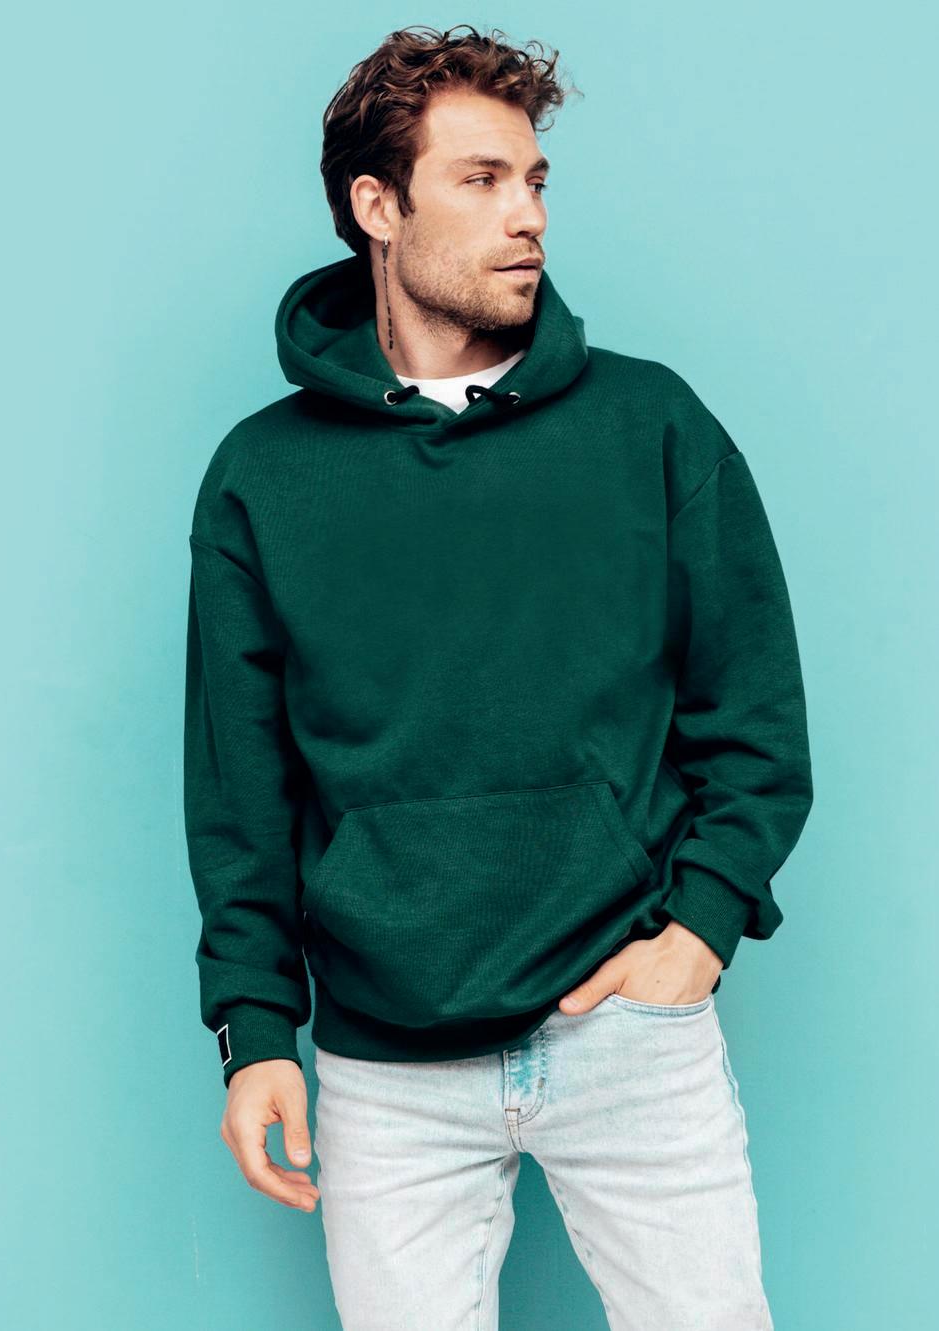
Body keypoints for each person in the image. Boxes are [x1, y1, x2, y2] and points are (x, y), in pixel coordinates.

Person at [181, 24, 813, 1330]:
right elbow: (240, 797)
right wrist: (255, 1032)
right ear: (378, 207)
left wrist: (697, 933)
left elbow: (757, 726)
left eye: (534, 180)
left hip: (627, 1030)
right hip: (387, 1065)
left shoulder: (651, 426)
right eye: (480, 180)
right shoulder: (263, 479)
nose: (527, 215)